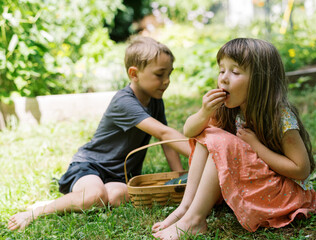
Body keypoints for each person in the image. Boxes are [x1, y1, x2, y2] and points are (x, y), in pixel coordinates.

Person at [8, 36, 191, 231]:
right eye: (160, 74)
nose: (166, 81)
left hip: (121, 177)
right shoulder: (124, 102)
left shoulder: (155, 100)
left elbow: (165, 141)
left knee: (112, 197)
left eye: (169, 74)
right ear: (134, 74)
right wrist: (203, 153)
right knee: (95, 196)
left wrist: (178, 178)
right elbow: (164, 133)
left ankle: (75, 199)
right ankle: (37, 210)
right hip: (90, 167)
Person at [152, 38, 316, 239]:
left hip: (285, 196)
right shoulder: (228, 109)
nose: (224, 78)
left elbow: (300, 170)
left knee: (220, 141)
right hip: (260, 186)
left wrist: (256, 146)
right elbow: (190, 131)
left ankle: (195, 220)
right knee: (208, 133)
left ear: (261, 81)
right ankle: (187, 207)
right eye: (221, 70)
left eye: (235, 72)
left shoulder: (280, 117)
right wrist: (204, 112)